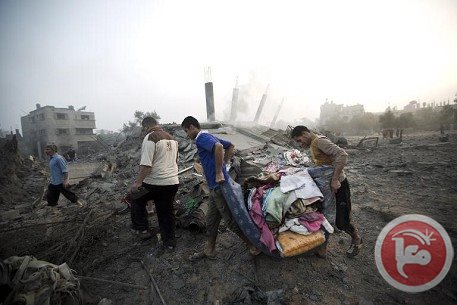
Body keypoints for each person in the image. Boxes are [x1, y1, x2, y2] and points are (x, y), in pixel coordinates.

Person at [181, 116, 260, 260]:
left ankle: (253, 245)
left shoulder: (201, 138)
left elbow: (218, 147)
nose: (187, 135)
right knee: (211, 219)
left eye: (187, 131)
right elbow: (229, 146)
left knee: (230, 220)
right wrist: (224, 164)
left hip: (219, 186)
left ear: (192, 127)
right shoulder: (208, 135)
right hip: (213, 188)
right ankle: (210, 249)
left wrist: (219, 171)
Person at [290, 126, 363, 258]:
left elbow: (342, 154)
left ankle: (357, 239)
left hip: (338, 185)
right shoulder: (313, 144)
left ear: (305, 133)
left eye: (299, 140)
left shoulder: (319, 141)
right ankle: (322, 250)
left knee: (341, 221)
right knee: (326, 215)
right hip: (327, 185)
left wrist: (335, 180)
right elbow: (323, 163)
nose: (300, 144)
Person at [129, 117, 179, 249]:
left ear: (146, 126)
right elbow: (175, 161)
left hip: (155, 184)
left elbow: (146, 165)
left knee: (134, 197)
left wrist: (138, 183)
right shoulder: (172, 138)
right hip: (172, 182)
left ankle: (143, 230)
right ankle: (169, 243)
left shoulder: (150, 137)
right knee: (166, 212)